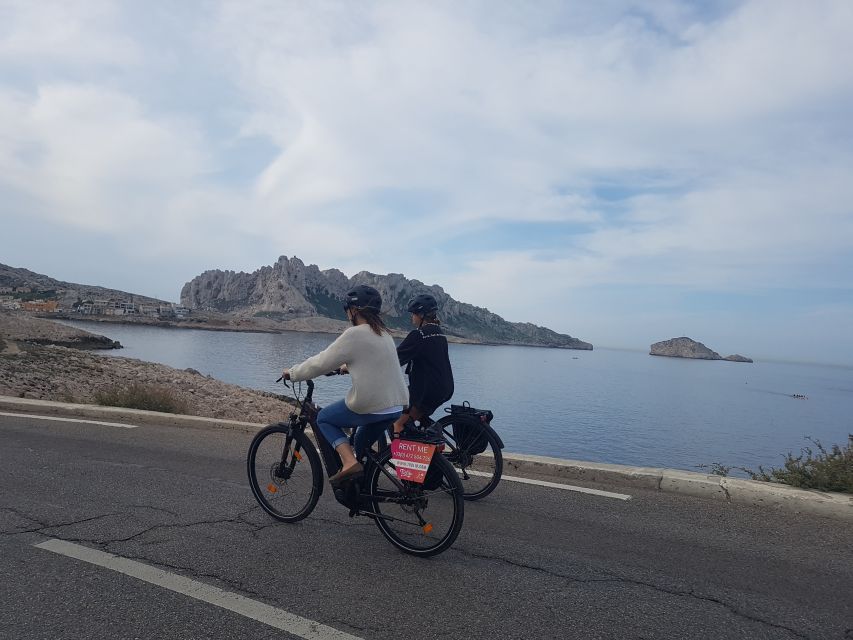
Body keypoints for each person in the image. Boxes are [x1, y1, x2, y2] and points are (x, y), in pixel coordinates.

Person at [283, 285, 408, 484]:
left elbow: (320, 362)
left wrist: (293, 373)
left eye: (347, 309)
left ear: (355, 310)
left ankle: (349, 462)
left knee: (324, 418)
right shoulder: (384, 334)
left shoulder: (355, 334)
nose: (347, 314)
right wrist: (346, 367)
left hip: (372, 406)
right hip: (394, 408)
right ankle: (364, 487)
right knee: (360, 443)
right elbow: (373, 361)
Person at [393, 293, 454, 435]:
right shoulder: (440, 333)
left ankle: (398, 455)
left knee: (397, 422)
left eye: (413, 313)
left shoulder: (419, 335)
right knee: (412, 416)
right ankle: (423, 439)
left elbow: (395, 359)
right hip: (444, 388)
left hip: (426, 391)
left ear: (421, 315)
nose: (411, 317)